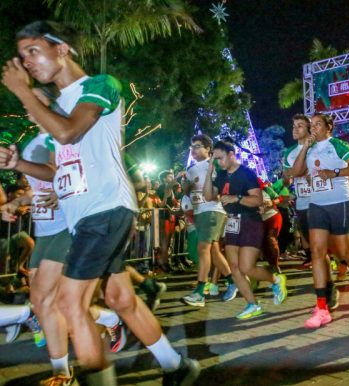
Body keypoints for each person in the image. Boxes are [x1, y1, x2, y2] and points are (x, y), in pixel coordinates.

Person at [0, 21, 199, 385]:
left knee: (69, 304)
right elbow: (56, 170)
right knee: (121, 297)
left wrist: (25, 94)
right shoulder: (58, 105)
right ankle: (177, 366)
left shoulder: (99, 85)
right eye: (22, 55)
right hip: (88, 217)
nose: (26, 62)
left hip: (104, 210)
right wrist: (17, 164)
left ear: (62, 49)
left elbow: (69, 131)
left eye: (33, 51)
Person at [289, 113, 349, 329]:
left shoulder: (337, 145)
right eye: (311, 125)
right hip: (316, 204)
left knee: (344, 251)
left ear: (328, 127)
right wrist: (305, 148)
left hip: (340, 202)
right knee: (317, 252)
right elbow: (296, 172)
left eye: (318, 124)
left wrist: (334, 172)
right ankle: (322, 308)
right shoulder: (310, 148)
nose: (314, 128)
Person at [204, 140, 287, 319]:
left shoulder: (246, 174)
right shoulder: (221, 175)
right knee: (234, 268)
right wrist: (209, 173)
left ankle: (276, 280)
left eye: (220, 158)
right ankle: (252, 304)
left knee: (246, 267)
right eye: (215, 159)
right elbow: (209, 196)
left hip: (250, 222)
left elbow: (258, 200)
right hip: (232, 223)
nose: (219, 162)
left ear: (231, 154)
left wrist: (237, 198)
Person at [181, 134, 233, 307]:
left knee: (203, 248)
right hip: (199, 211)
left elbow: (225, 183)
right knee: (214, 250)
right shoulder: (191, 169)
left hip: (213, 209)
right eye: (192, 147)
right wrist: (185, 185)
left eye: (197, 146)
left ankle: (200, 292)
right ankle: (233, 281)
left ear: (208, 149)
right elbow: (187, 191)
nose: (193, 150)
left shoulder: (215, 164)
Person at [282, 114, 314, 266]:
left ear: (309, 128)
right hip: (302, 201)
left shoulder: (317, 146)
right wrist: (288, 176)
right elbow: (287, 176)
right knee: (306, 234)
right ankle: (312, 258)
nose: (295, 129)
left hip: (323, 199)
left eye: (300, 126)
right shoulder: (289, 152)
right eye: (294, 126)